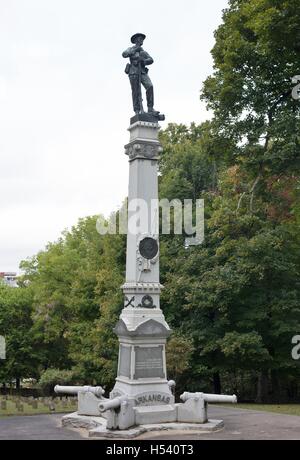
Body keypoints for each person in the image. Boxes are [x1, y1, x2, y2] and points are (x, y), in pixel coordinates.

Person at [122, 33, 160, 115]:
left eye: (142, 39)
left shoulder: (143, 52)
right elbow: (124, 54)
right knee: (136, 92)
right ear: (136, 40)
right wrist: (135, 50)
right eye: (140, 38)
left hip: (142, 72)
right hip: (133, 72)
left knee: (150, 86)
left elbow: (151, 60)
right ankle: (137, 110)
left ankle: (150, 108)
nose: (142, 40)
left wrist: (143, 61)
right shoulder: (131, 49)